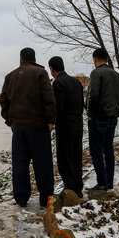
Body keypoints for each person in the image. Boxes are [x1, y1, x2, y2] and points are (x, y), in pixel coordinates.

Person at [0, 48, 56, 208]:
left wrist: (10, 121)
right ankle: (46, 198)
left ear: (20, 59)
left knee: (19, 164)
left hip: (18, 128)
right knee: (43, 164)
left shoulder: (10, 76)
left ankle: (21, 198)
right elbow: (48, 98)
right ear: (34, 57)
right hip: (38, 126)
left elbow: (3, 101)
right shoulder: (40, 73)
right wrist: (51, 120)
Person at [85, 49, 119, 191]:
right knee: (108, 149)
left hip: (98, 117)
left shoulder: (96, 73)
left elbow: (93, 95)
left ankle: (101, 182)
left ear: (95, 59)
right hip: (112, 117)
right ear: (107, 59)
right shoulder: (116, 75)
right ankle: (109, 182)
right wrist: (114, 108)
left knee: (96, 150)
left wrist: (90, 113)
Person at [48, 56, 85, 198]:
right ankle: (78, 187)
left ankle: (69, 187)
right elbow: (81, 104)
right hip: (78, 124)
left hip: (65, 126)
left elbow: (59, 108)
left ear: (52, 69)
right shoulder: (76, 82)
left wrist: (54, 122)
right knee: (76, 156)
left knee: (65, 157)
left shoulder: (58, 83)